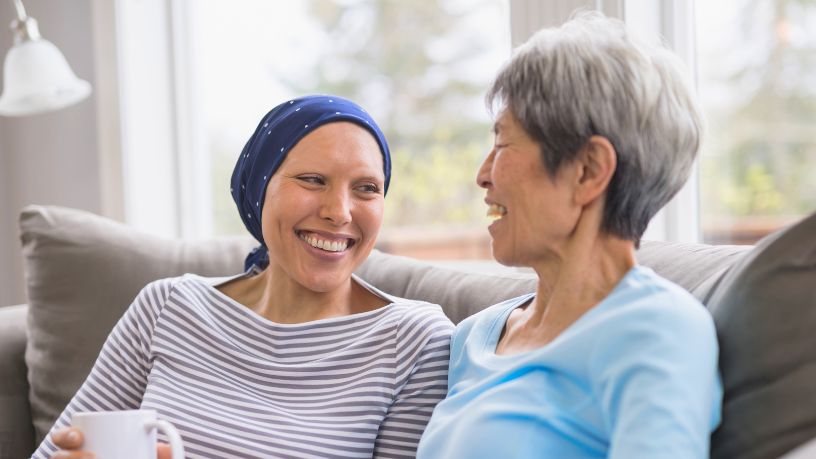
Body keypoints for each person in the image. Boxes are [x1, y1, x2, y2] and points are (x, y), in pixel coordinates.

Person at [36, 95, 454, 459]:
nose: (340, 212)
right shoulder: (167, 307)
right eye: (313, 180)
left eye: (366, 188)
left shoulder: (414, 340)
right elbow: (60, 450)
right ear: (260, 188)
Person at [416, 12, 721, 459]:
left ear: (588, 170)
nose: (482, 175)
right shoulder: (475, 335)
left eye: (502, 144)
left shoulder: (658, 333)